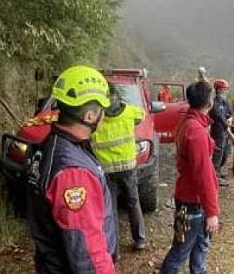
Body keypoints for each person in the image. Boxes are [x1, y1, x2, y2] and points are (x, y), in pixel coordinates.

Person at [26, 66, 117, 274]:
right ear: (90, 116)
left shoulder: (53, 145)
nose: (104, 116)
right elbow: (86, 250)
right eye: (102, 109)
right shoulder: (73, 172)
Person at [160, 81, 220, 274]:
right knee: (180, 252)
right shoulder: (196, 131)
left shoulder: (189, 123)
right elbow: (202, 175)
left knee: (200, 247)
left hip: (191, 200)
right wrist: (212, 212)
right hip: (193, 203)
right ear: (209, 103)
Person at [92, 85, 147, 252]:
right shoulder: (130, 112)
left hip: (107, 171)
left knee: (111, 210)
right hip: (128, 168)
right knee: (133, 203)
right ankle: (140, 240)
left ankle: (113, 249)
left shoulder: (97, 118)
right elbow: (142, 115)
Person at [209, 79, 234, 187]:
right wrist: (228, 126)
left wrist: (230, 119)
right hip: (217, 131)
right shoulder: (214, 103)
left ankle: (218, 171)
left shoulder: (225, 102)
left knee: (225, 152)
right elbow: (219, 117)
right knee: (218, 153)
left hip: (225, 130)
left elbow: (230, 112)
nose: (226, 91)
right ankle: (215, 174)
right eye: (224, 89)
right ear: (219, 89)